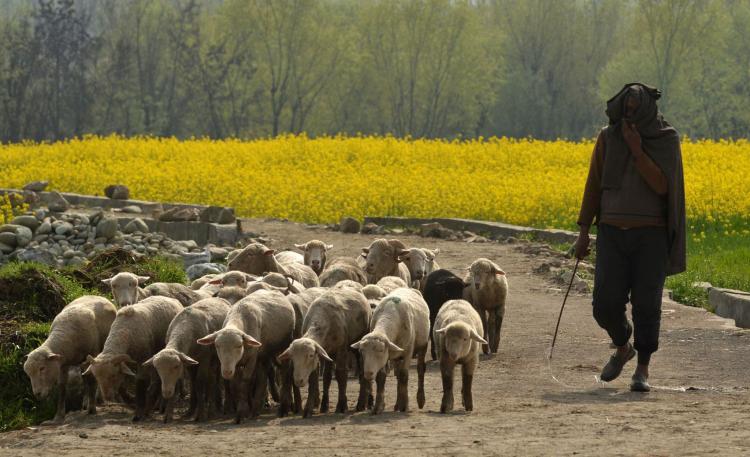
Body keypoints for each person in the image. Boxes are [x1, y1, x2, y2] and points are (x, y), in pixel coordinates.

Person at [574, 83, 686, 392]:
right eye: (626, 111)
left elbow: (664, 187)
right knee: (604, 304)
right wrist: (584, 231)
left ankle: (642, 369)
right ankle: (623, 346)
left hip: (651, 236)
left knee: (647, 305)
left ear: (648, 110)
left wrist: (637, 151)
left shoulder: (666, 139)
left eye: (635, 112)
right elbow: (594, 184)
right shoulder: (609, 138)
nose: (630, 117)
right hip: (611, 231)